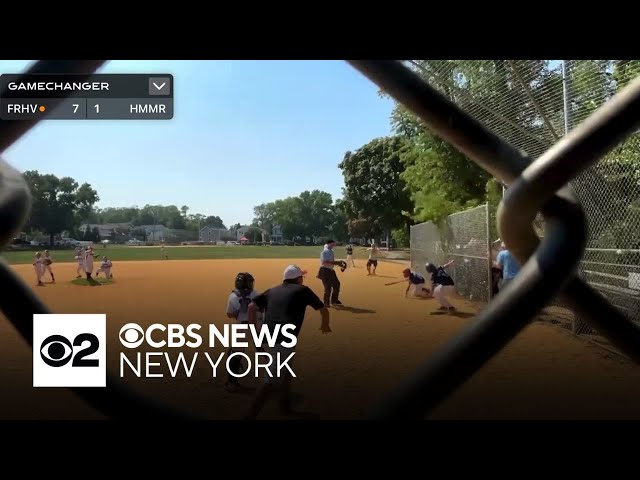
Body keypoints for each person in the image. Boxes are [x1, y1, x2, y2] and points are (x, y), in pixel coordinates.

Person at [244, 265, 331, 419]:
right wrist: (325, 324)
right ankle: (249, 417)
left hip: (269, 335)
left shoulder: (272, 290)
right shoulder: (303, 290)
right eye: (302, 277)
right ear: (298, 278)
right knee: (270, 381)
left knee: (287, 373)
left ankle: (285, 407)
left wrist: (254, 331)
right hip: (283, 338)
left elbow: (251, 307)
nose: (303, 279)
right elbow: (323, 309)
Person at [224, 272, 261, 393]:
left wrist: (238, 314)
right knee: (267, 352)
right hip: (258, 327)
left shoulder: (233, 297)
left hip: (242, 328)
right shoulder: (257, 294)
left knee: (235, 354)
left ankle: (232, 383)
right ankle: (277, 379)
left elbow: (229, 314)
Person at [317, 239, 343, 306]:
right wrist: (336, 262)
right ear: (329, 244)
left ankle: (334, 300)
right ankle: (326, 302)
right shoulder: (324, 252)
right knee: (328, 287)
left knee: (337, 284)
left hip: (331, 271)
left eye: (334, 244)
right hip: (325, 271)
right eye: (333, 244)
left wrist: (338, 263)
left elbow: (331, 261)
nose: (334, 245)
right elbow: (324, 262)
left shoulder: (331, 251)